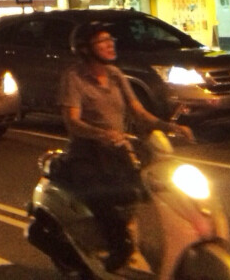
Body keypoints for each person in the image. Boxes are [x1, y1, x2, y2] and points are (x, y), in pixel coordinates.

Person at [59, 21, 193, 272]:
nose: (110, 45)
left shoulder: (115, 74)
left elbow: (138, 112)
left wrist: (170, 127)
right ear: (86, 49)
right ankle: (118, 246)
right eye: (102, 41)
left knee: (146, 188)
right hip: (86, 152)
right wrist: (101, 133)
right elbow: (72, 122)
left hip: (116, 149)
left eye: (111, 39)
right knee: (102, 195)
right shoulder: (74, 78)